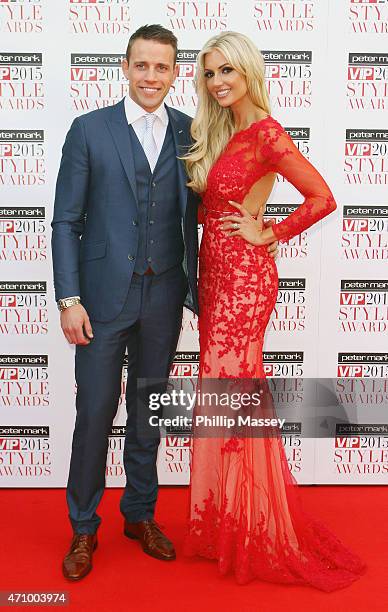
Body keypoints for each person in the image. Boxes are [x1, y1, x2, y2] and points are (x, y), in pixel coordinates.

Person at [52, 24, 279, 581]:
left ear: (176, 74)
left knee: (148, 414)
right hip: (101, 301)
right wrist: (68, 298)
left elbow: (226, 187)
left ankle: (140, 515)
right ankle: (84, 526)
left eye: (163, 67)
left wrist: (261, 227)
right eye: (142, 66)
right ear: (126, 68)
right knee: (94, 413)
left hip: (165, 297)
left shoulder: (191, 132)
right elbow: (65, 221)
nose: (151, 76)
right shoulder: (89, 130)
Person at [183, 32, 366, 591]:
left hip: (245, 282)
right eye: (210, 74)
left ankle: (261, 528)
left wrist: (270, 232)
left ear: (248, 72)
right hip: (216, 280)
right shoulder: (223, 129)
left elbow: (322, 196)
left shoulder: (265, 132)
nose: (218, 83)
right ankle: (232, 520)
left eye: (227, 72)